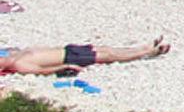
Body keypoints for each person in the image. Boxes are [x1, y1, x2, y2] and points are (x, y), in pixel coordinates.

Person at [0, 39, 171, 76]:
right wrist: (66, 68)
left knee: (107, 48)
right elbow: (42, 70)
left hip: (67, 49)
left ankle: (142, 48)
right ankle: (146, 53)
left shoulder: (13, 55)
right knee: (109, 55)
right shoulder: (20, 65)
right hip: (69, 57)